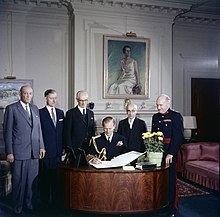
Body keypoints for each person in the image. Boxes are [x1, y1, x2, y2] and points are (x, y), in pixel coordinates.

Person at [3, 85, 45, 215]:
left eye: (30, 94)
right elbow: (7, 132)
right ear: (20, 94)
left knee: (32, 181)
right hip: (19, 152)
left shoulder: (35, 109)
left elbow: (39, 130)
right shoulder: (12, 109)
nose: (28, 96)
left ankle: (29, 204)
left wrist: (42, 146)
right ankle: (17, 207)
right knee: (19, 182)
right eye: (25, 93)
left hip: (34, 152)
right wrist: (9, 152)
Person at [151, 94, 184, 217]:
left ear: (168, 103)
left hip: (170, 154)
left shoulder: (175, 116)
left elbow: (178, 137)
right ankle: (160, 204)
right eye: (157, 105)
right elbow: (153, 136)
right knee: (159, 180)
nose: (158, 107)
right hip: (157, 153)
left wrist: (170, 153)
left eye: (161, 105)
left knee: (170, 181)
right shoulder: (155, 117)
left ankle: (172, 208)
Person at [39, 89, 64, 207]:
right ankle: (44, 205)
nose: (54, 100)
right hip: (45, 152)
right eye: (51, 98)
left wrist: (63, 148)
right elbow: (38, 133)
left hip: (58, 152)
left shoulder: (60, 113)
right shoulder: (40, 113)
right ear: (46, 99)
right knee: (45, 179)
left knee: (57, 179)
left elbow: (62, 132)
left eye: (55, 98)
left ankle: (56, 204)